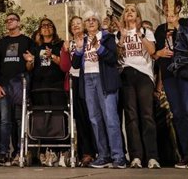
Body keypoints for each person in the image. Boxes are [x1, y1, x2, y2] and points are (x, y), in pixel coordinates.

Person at [154, 0, 188, 169]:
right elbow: (156, 53)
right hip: (169, 74)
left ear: (177, 7)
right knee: (177, 114)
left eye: (171, 5)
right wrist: (159, 53)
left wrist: (177, 27)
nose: (167, 9)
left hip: (186, 71)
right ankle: (186, 154)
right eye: (165, 5)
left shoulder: (186, 23)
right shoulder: (160, 29)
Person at [72, 10, 126, 169]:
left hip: (104, 80)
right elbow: (75, 65)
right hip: (88, 80)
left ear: (98, 22)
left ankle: (119, 156)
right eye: (87, 20)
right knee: (95, 120)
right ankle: (103, 155)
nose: (90, 22)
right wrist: (80, 49)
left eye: (93, 19)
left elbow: (112, 58)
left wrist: (98, 47)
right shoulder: (82, 39)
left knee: (110, 119)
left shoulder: (107, 37)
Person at [118, 4, 160, 169]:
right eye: (126, 10)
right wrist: (121, 39)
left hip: (144, 75)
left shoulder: (146, 31)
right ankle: (136, 156)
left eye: (132, 11)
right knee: (131, 117)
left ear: (137, 16)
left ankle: (152, 156)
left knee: (147, 116)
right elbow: (117, 56)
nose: (129, 12)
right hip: (127, 74)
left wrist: (139, 35)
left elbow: (152, 51)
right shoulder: (119, 33)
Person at [0, 12, 33, 166]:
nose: (9, 22)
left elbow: (30, 66)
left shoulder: (27, 41)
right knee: (4, 120)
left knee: (19, 119)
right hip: (3, 84)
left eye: (12, 20)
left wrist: (30, 62)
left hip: (20, 82)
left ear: (19, 22)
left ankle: (19, 152)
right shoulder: (1, 42)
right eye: (7, 20)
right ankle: (3, 153)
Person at [27, 18, 67, 167]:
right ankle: (44, 149)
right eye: (43, 26)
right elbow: (29, 67)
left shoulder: (60, 44)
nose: (46, 28)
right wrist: (30, 61)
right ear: (39, 30)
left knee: (56, 117)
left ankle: (58, 151)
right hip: (39, 87)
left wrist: (53, 56)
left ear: (54, 29)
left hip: (56, 86)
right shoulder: (35, 47)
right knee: (42, 118)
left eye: (49, 25)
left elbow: (64, 65)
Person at [60, 16, 96, 167]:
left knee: (92, 116)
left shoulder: (91, 39)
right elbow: (64, 67)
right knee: (80, 119)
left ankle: (98, 150)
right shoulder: (68, 44)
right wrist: (65, 51)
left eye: (78, 23)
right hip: (74, 81)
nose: (75, 26)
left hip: (90, 78)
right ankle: (85, 153)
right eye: (72, 24)